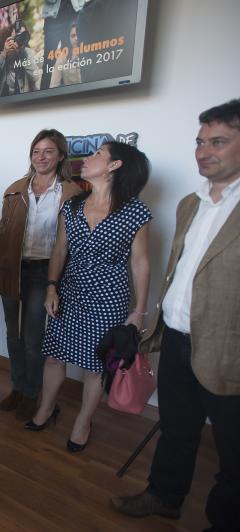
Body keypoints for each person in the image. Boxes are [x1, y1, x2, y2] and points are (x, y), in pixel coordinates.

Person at [111, 99, 240, 532]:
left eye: (218, 142)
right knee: (177, 428)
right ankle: (164, 497)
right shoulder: (192, 202)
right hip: (178, 339)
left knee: (233, 453)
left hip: (228, 350)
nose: (204, 151)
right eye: (200, 141)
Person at [27, 141, 152, 453]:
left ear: (115, 166)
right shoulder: (72, 206)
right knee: (54, 355)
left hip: (109, 298)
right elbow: (60, 250)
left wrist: (139, 311)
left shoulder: (135, 211)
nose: (87, 158)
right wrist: (52, 287)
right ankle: (46, 408)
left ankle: (83, 421)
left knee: (96, 365)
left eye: (98, 154)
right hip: (69, 292)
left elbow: (140, 262)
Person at [0, 129, 80, 420]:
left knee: (32, 337)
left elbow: (74, 241)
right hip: (13, 269)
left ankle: (32, 393)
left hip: (45, 272)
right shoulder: (16, 189)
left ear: (61, 155)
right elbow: (3, 232)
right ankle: (17, 387)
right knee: (13, 334)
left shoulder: (72, 192)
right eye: (36, 151)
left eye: (48, 151)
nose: (41, 157)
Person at [0, 20, 39, 97]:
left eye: (23, 36)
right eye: (17, 36)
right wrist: (4, 53)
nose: (19, 40)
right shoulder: (0, 55)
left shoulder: (27, 53)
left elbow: (35, 77)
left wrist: (22, 53)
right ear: (9, 37)